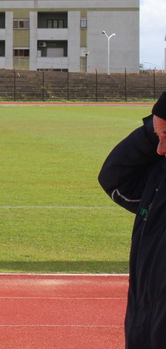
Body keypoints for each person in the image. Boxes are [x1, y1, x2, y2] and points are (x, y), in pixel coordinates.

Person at [98, 91, 166, 348]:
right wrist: (158, 122)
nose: (159, 150)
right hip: (144, 324)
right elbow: (116, 179)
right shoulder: (159, 177)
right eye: (157, 138)